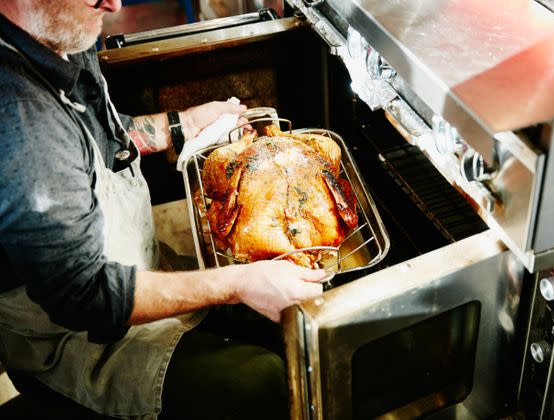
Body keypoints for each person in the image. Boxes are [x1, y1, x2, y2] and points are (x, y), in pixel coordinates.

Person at [0, 0, 324, 419]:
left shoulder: (60, 32)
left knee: (287, 333)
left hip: (137, 270)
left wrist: (183, 123)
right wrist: (238, 282)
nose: (113, 3)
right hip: (77, 341)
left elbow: (99, 138)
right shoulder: (19, 117)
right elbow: (86, 296)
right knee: (264, 384)